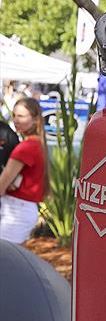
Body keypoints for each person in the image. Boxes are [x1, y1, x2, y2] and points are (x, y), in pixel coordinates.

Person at [0, 98, 49, 243]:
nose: (16, 120)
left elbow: (2, 184)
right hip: (21, 210)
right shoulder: (36, 144)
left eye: (21, 116)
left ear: (35, 119)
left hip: (15, 211)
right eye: (14, 115)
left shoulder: (26, 147)